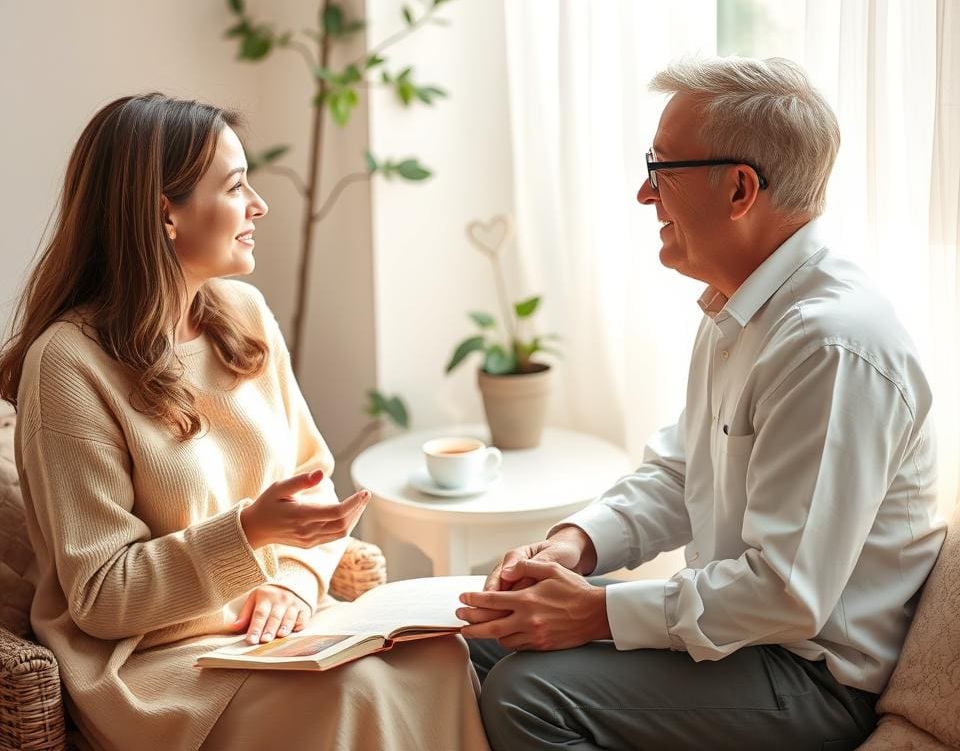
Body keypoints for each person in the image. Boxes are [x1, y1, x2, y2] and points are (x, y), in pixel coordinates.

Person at [456, 56, 946, 750]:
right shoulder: (740, 308)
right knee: (475, 641)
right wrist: (577, 546)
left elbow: (785, 595)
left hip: (813, 678)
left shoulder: (829, 345)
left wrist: (594, 614)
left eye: (659, 169)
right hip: (748, 645)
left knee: (529, 695)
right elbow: (682, 472)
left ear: (740, 188)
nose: (642, 194)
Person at [0, 93, 490, 751]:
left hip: (281, 627)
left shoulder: (243, 313)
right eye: (234, 187)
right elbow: (101, 597)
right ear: (163, 212)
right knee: (352, 696)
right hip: (154, 661)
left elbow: (314, 493)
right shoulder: (68, 363)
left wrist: (293, 579)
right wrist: (250, 533)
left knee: (439, 660)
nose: (258, 206)